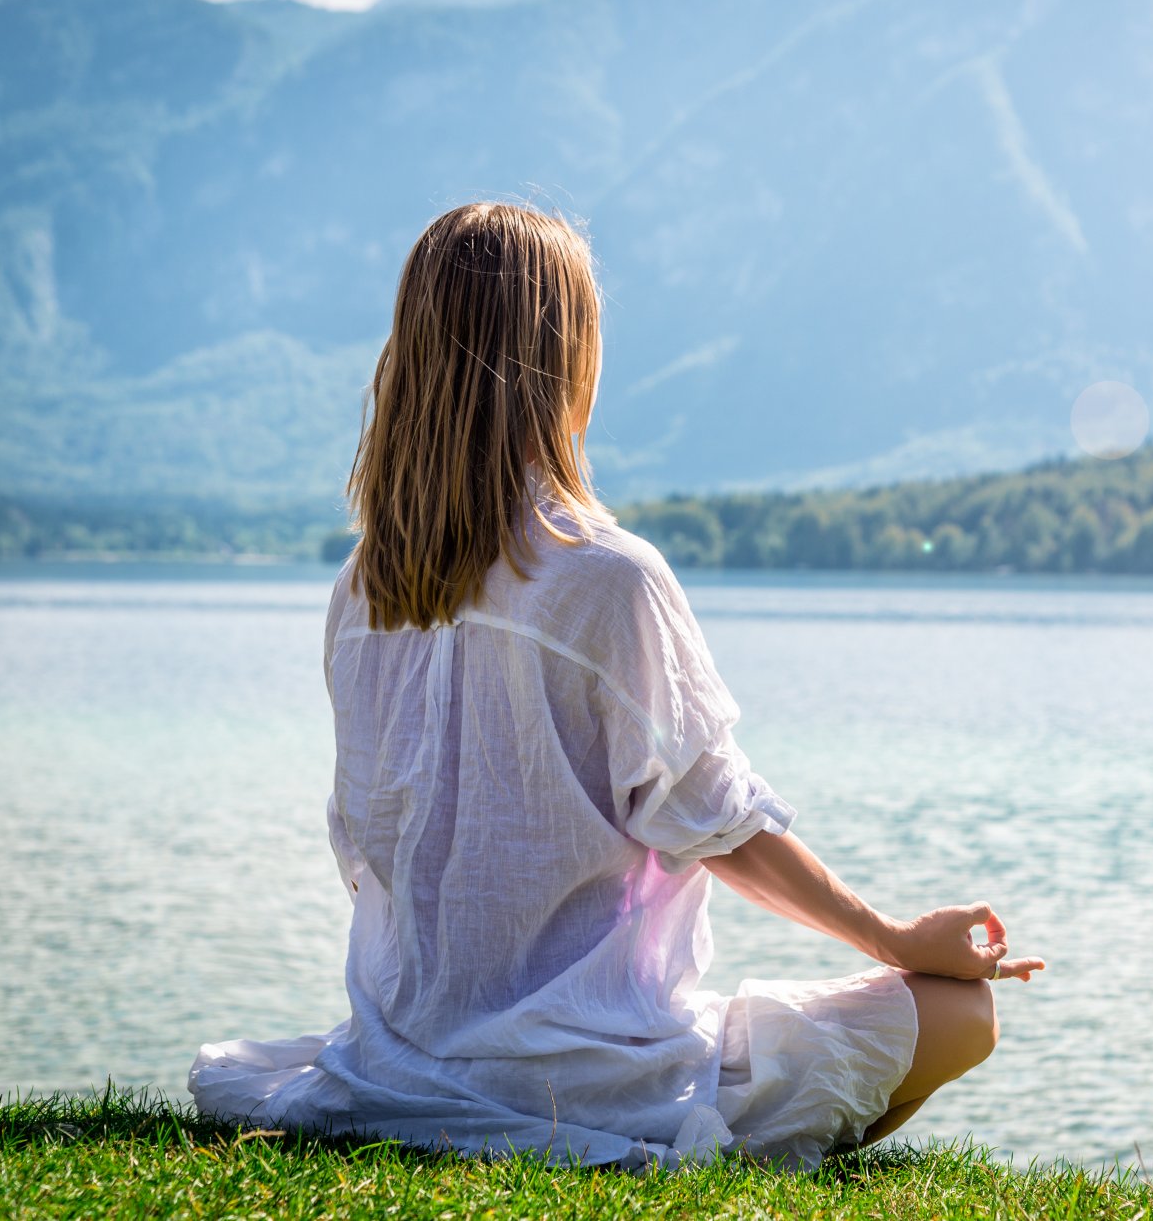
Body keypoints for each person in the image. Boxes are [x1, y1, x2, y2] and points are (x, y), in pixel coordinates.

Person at [187, 201, 1043, 1170]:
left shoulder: (362, 589)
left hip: (402, 1057)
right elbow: (718, 823)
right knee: (961, 1015)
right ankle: (710, 1145)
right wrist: (893, 938)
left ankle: (575, 1104)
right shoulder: (607, 576)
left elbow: (363, 853)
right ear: (567, 364)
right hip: (592, 1073)